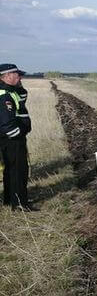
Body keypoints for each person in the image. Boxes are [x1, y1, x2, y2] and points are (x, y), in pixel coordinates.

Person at [0, 63, 36, 210]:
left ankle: (10, 199)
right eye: (17, 74)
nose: (20, 77)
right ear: (7, 76)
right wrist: (19, 134)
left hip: (11, 139)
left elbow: (22, 96)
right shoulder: (4, 96)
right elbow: (6, 123)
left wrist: (19, 85)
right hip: (12, 139)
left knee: (10, 169)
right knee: (18, 170)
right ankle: (20, 204)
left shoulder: (11, 91)